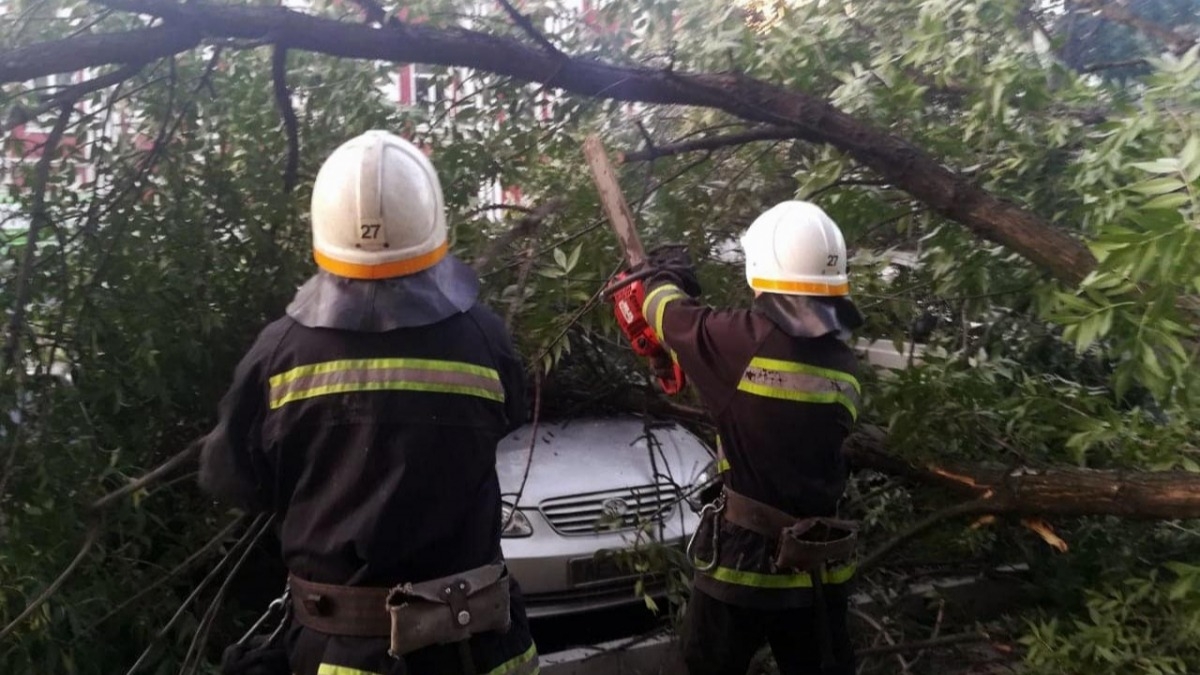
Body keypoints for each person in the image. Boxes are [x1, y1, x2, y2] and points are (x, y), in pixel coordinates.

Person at [198, 130, 538, 675]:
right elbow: (506, 420)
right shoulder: (484, 339)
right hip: (483, 645)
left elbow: (235, 480)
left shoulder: (279, 354)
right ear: (433, 226)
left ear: (324, 231)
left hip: (346, 649)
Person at [639, 200, 863, 675]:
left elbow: (662, 313)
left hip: (743, 564)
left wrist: (661, 275)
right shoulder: (843, 362)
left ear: (762, 268)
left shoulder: (737, 343)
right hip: (819, 567)